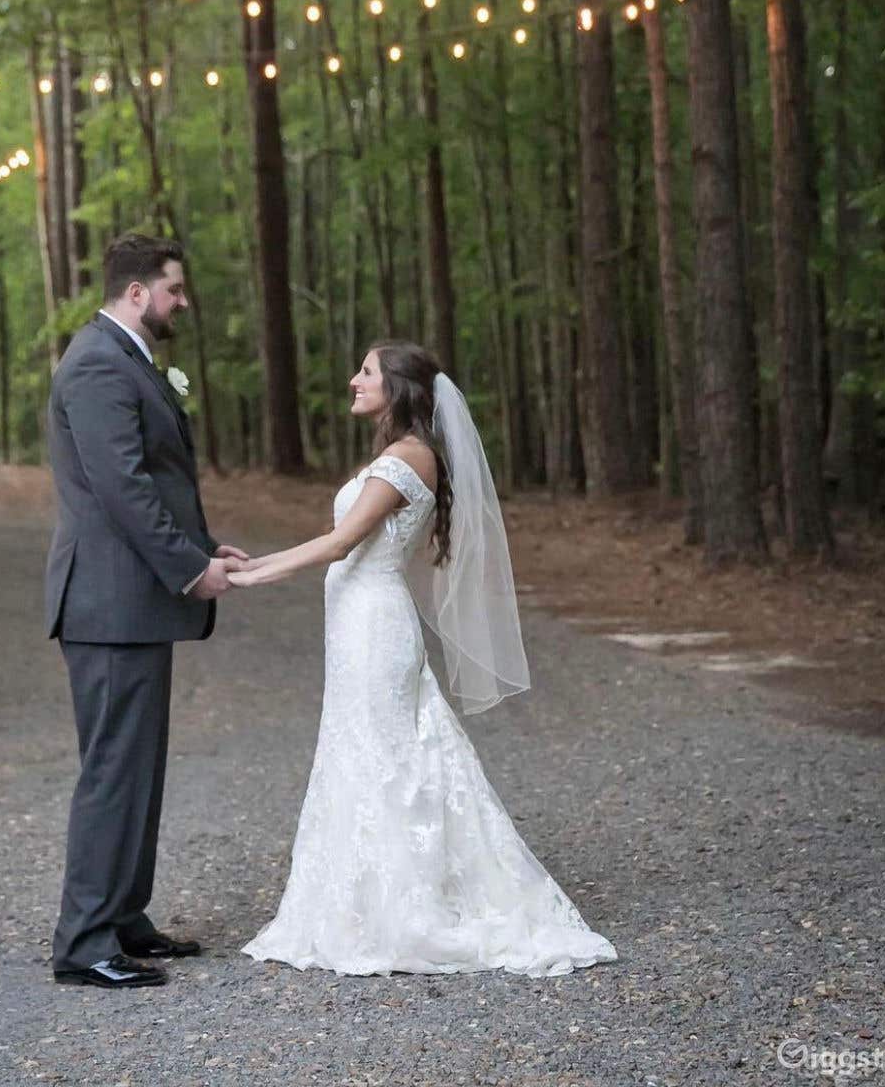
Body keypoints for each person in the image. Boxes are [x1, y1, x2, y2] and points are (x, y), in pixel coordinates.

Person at [228, 340, 617, 978]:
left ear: (400, 389)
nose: (353, 379)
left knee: (388, 755)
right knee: (367, 750)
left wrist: (254, 577)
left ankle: (404, 908)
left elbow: (341, 543)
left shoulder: (407, 460)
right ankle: (363, 902)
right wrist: (252, 563)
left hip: (375, 624)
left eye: (367, 372)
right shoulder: (398, 456)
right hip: (359, 623)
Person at [44, 233, 248, 989]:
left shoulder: (123, 357)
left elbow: (152, 481)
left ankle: (124, 915)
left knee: (139, 767)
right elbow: (122, 489)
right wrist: (189, 569)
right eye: (174, 289)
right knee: (112, 771)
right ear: (137, 292)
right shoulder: (97, 363)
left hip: (133, 602)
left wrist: (204, 545)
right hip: (107, 602)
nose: (182, 302)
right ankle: (83, 942)